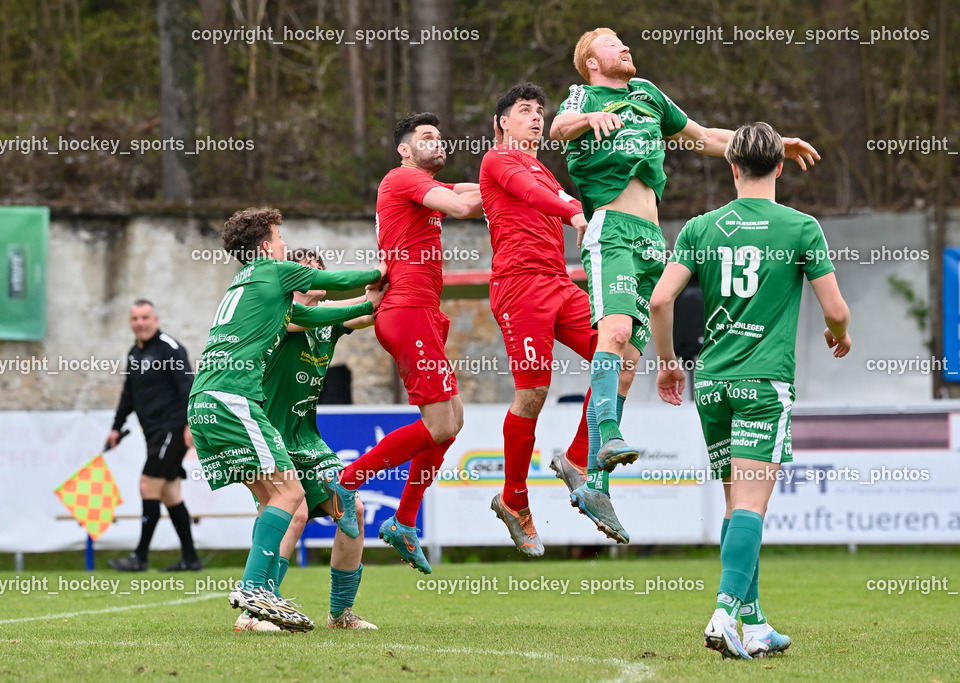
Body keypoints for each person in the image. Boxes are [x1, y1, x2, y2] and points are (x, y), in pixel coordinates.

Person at [549, 28, 820, 522]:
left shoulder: (647, 94)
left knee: (629, 359)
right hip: (611, 229)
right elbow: (558, 128)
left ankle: (593, 481)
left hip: (653, 240)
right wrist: (590, 117)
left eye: (624, 42)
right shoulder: (584, 96)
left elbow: (706, 138)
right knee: (616, 332)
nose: (624, 47)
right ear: (590, 61)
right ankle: (608, 437)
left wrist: (774, 144)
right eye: (612, 44)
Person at [650, 122, 851, 659]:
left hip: (711, 383)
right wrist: (840, 334)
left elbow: (660, 303)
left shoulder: (699, 228)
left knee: (736, 503)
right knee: (753, 506)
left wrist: (669, 364)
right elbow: (834, 309)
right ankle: (724, 612)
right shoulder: (801, 228)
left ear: (732, 168)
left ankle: (755, 622)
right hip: (764, 383)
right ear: (779, 167)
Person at [186, 206, 384, 631]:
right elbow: (339, 282)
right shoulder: (272, 272)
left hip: (213, 402)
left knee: (297, 500)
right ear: (265, 247)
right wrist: (384, 268)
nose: (284, 246)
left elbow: (331, 312)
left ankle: (295, 609)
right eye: (280, 239)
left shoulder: (251, 283)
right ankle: (255, 592)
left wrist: (377, 300)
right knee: (289, 497)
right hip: (235, 401)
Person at [323, 112, 482, 574]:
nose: (438, 142)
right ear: (405, 150)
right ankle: (348, 481)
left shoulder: (425, 189)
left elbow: (471, 192)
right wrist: (517, 189)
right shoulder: (401, 179)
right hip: (406, 311)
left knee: (452, 421)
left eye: (440, 135)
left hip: (425, 314)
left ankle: (404, 521)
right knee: (437, 426)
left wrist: (514, 185)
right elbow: (463, 206)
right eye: (427, 137)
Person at [479, 82, 625, 552]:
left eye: (540, 111)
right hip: (519, 286)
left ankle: (579, 459)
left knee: (620, 351)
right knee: (534, 393)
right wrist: (573, 211)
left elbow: (552, 194)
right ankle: (514, 499)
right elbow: (535, 196)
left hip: (560, 284)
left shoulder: (542, 167)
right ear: (502, 123)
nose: (537, 118)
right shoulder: (497, 159)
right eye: (525, 110)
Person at [255, 248, 381, 633]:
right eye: (299, 274)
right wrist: (365, 292)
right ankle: (256, 609)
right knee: (294, 514)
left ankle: (340, 613)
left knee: (354, 511)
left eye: (314, 274)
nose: (307, 280)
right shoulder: (281, 314)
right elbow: (345, 311)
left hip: (307, 439)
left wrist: (394, 276)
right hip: (270, 436)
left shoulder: (329, 322)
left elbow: (367, 310)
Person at [106, 300, 200, 573]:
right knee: (170, 494)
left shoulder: (170, 349)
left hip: (172, 430)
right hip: (152, 435)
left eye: (145, 318)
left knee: (148, 486)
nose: (140, 323)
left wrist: (189, 426)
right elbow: (128, 395)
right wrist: (116, 426)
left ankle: (140, 556)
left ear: (155, 319)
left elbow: (188, 389)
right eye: (135, 318)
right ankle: (191, 559)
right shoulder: (134, 353)